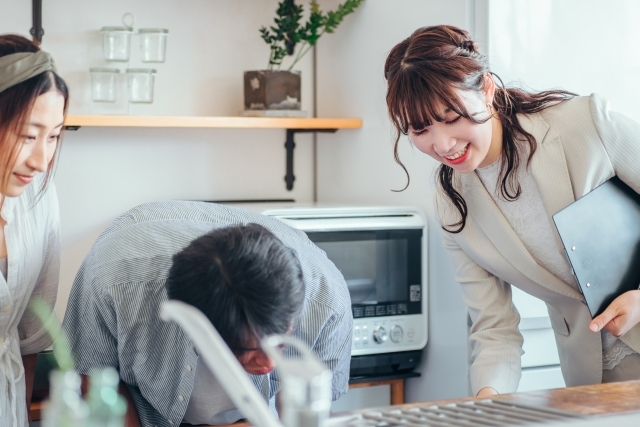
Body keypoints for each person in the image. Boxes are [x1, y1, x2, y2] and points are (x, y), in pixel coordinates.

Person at [384, 25, 640, 397]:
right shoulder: (453, 205)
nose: (443, 144)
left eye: (452, 117)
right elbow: (494, 330)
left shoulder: (582, 124)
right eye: (420, 129)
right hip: (596, 380)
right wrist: (489, 401)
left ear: (486, 89)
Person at [62, 201, 352, 427]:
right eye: (250, 350)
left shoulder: (327, 303)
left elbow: (310, 414)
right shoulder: (115, 280)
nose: (268, 362)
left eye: (279, 341)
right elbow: (93, 375)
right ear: (194, 327)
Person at [0, 34, 67, 426]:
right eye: (28, 135)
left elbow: (31, 331)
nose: (43, 160)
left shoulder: (38, 196)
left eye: (54, 136)